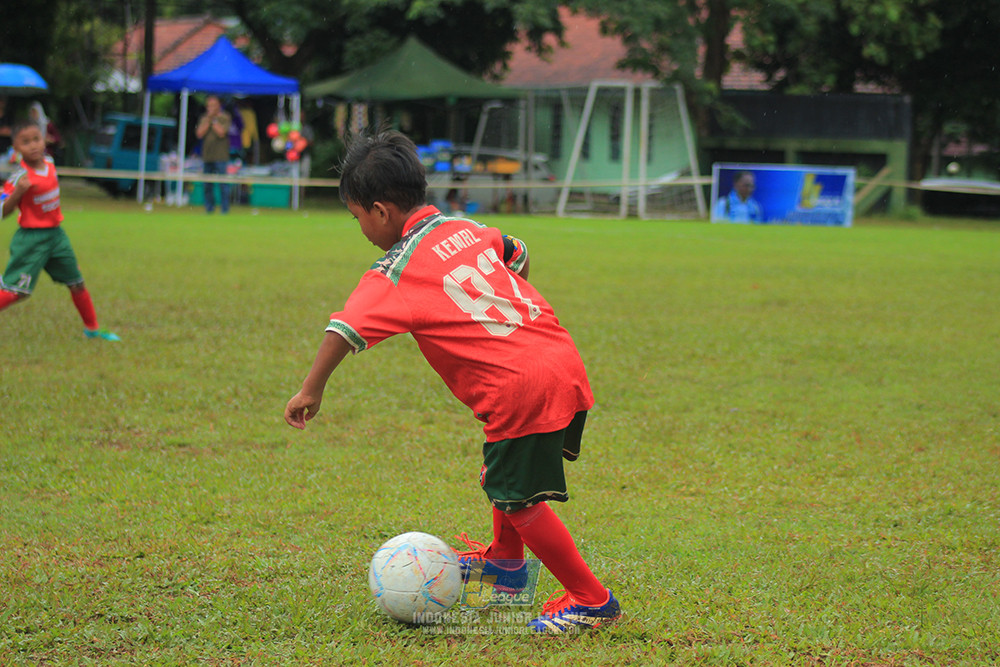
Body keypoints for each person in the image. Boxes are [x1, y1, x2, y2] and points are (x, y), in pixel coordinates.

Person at [283, 129, 621, 634]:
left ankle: (592, 600)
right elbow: (518, 251)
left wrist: (311, 390)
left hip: (518, 387)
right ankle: (506, 570)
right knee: (500, 479)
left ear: (379, 210)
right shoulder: (466, 227)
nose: (361, 229)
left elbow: (343, 330)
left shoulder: (394, 272)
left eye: (357, 218)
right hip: (557, 355)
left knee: (520, 502)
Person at [0, 120, 119, 340]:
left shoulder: (50, 162)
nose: (33, 145)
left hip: (56, 236)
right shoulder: (19, 177)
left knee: (77, 282)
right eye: (25, 142)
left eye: (36, 139)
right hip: (31, 239)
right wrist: (17, 193)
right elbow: (2, 211)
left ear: (44, 139)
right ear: (16, 148)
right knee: (16, 292)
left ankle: (92, 329)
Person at [195, 95, 232, 214]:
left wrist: (214, 120)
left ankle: (224, 209)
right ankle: (209, 208)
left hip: (221, 157)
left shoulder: (224, 117)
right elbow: (199, 133)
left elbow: (221, 132)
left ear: (218, 106)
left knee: (223, 184)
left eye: (213, 105)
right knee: (207, 185)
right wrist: (208, 120)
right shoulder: (204, 118)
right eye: (209, 105)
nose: (211, 108)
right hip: (207, 156)